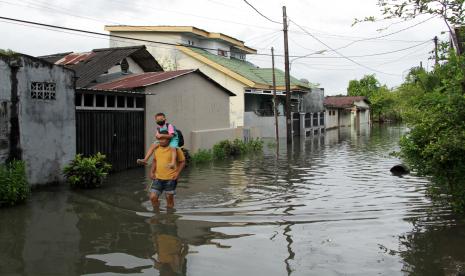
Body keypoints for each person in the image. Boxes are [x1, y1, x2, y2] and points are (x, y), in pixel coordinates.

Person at [149, 130, 186, 209]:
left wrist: (177, 173)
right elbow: (155, 160)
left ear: (169, 139)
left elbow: (182, 162)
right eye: (159, 139)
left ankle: (169, 218)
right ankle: (157, 213)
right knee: (153, 197)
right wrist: (152, 172)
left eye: (163, 139)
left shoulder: (175, 149)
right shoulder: (156, 148)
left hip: (171, 179)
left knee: (169, 200)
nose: (160, 141)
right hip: (157, 178)